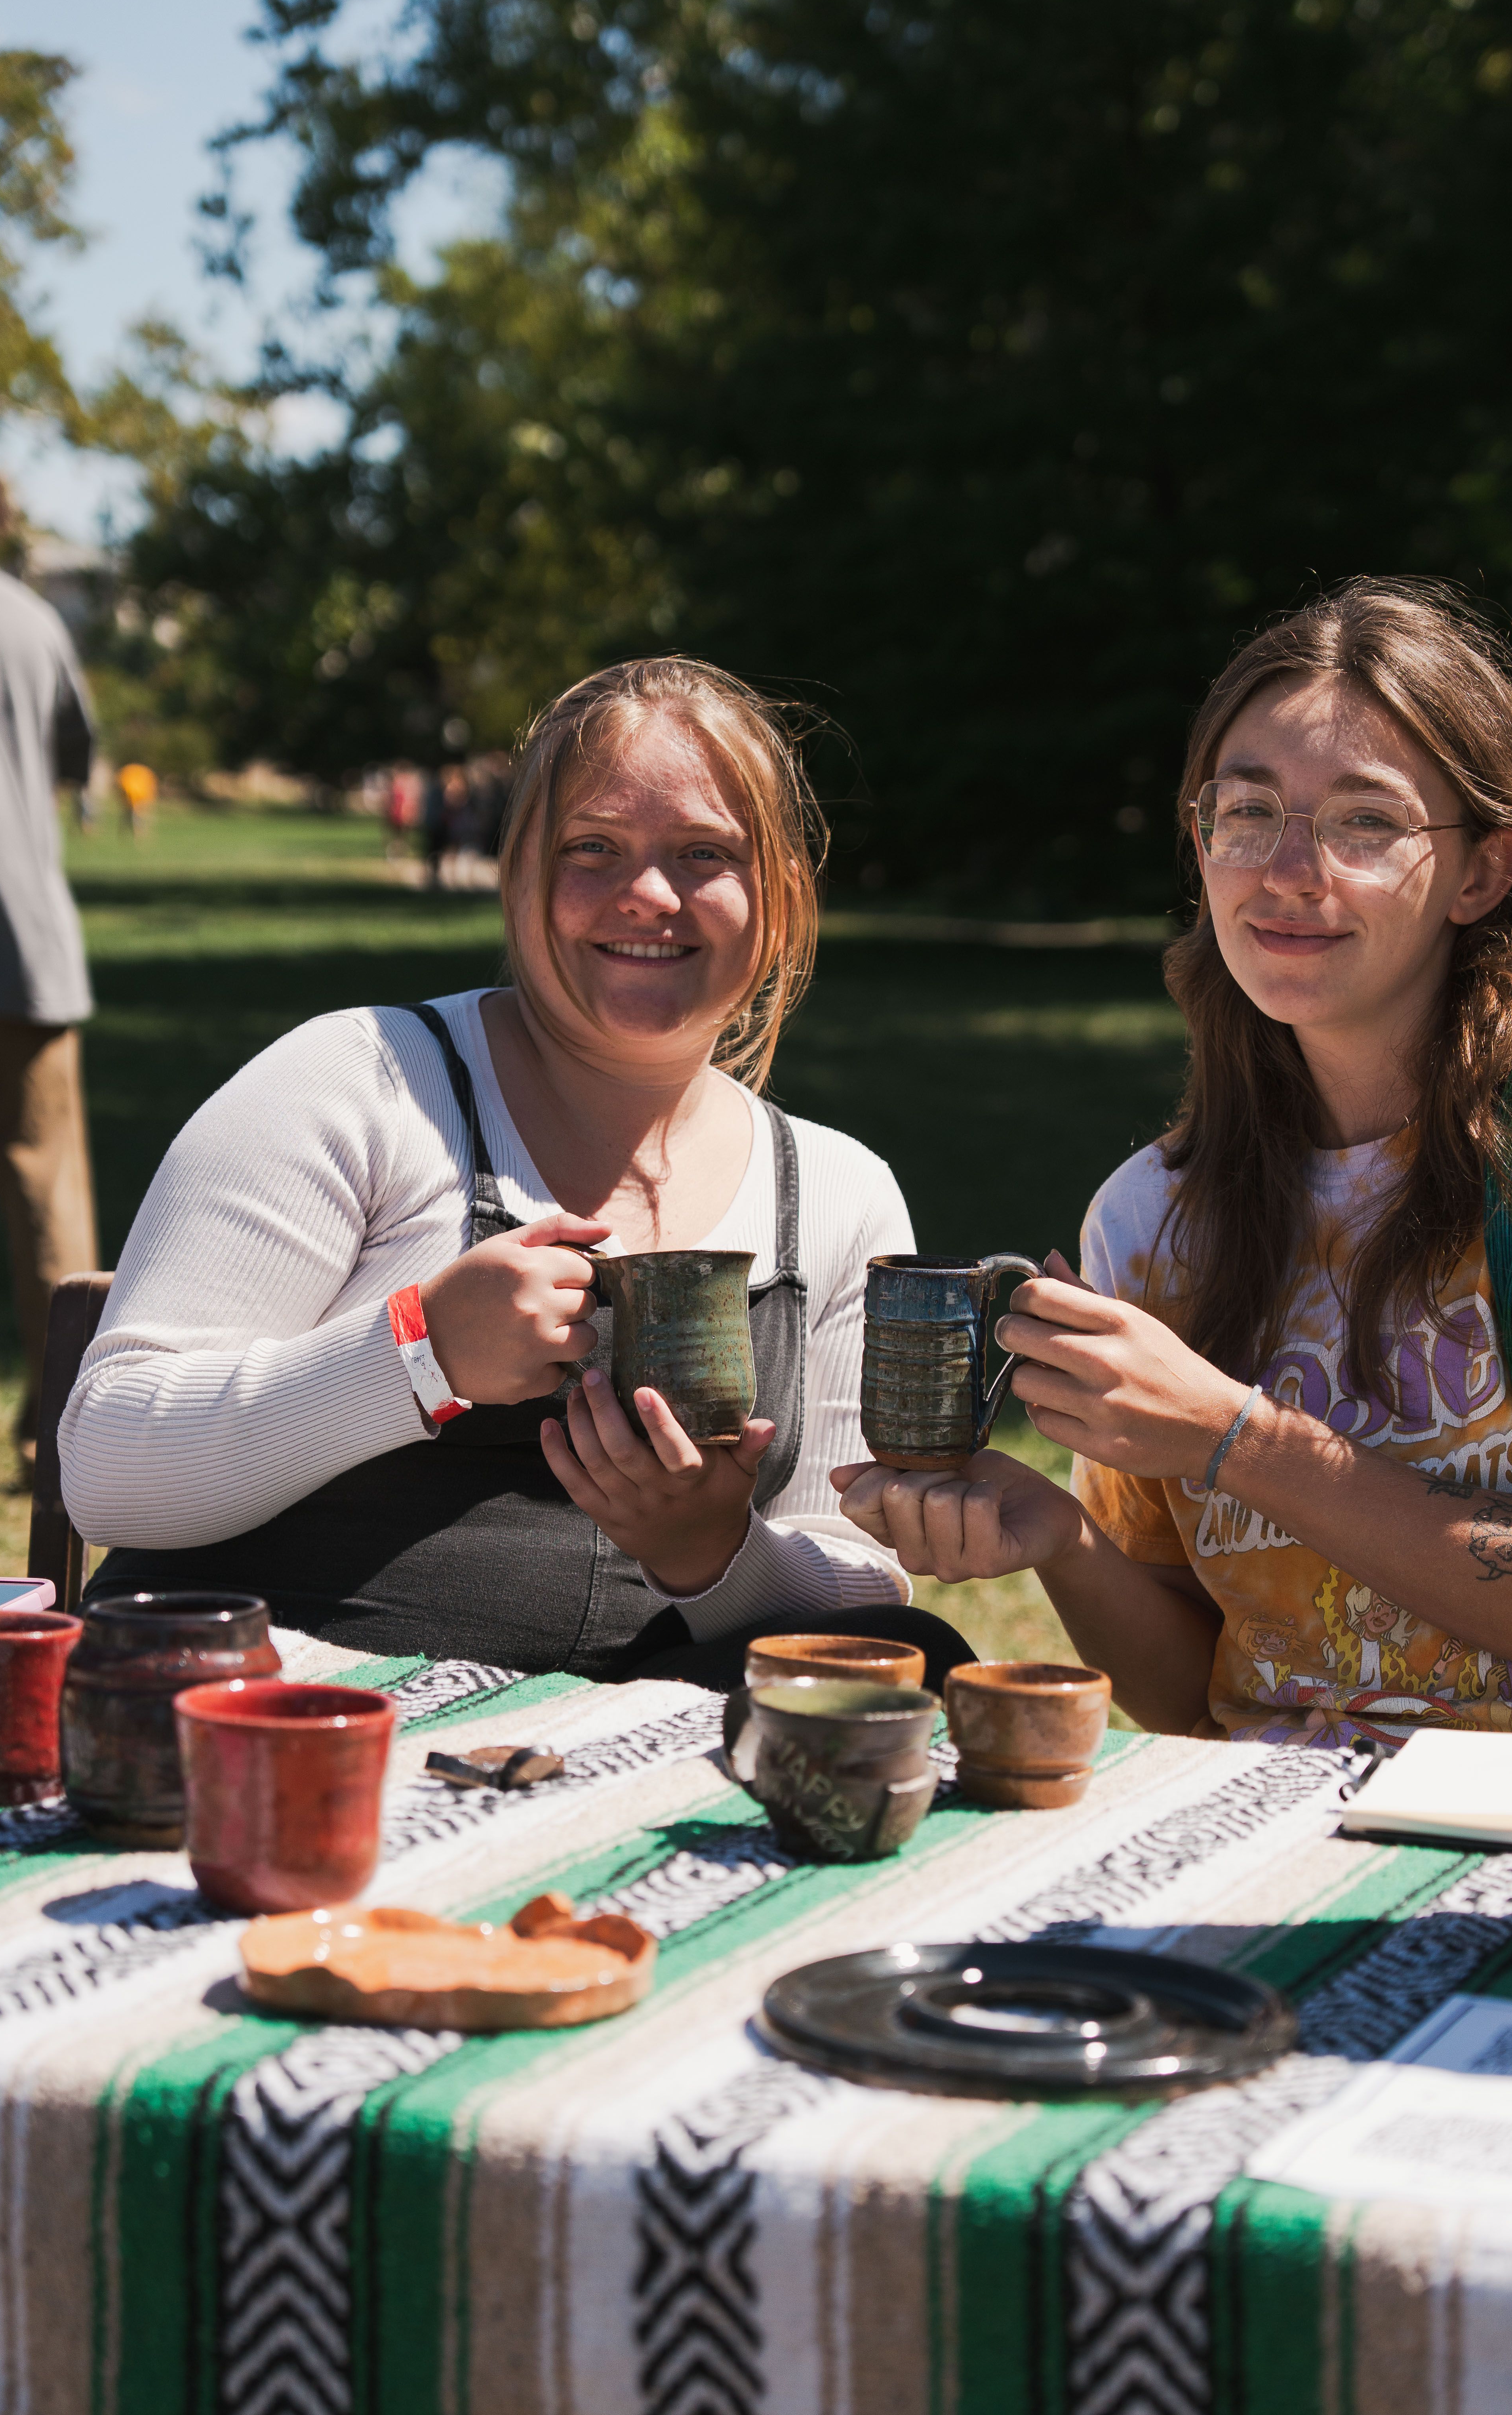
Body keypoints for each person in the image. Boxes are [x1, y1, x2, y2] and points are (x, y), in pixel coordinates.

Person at [834, 580, 1512, 1746]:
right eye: (1248, 811)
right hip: (1261, 1839)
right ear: (1201, 843)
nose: (1291, 870)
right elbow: (1199, 1688)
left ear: (1482, 873)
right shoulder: (1153, 1216)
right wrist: (1056, 1532)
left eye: (1364, 822)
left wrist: (1236, 1438)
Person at [61, 657, 965, 1689]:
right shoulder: (365, 1086)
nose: (650, 895)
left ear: (784, 893)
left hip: (614, 1792)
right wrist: (419, 1355)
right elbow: (109, 1470)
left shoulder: (838, 1197)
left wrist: (716, 1556)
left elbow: (860, 1587)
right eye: (595, 849)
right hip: (277, 1738)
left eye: (705, 853)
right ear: (521, 874)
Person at [0, 453, 101, 1467]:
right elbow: (72, 756)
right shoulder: (27, 617)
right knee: (45, 1188)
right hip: (18, 940)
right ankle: (66, 1429)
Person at [116, 760, 157, 837]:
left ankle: (129, 834)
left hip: (136, 799)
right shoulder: (140, 773)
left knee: (130, 816)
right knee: (134, 816)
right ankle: (136, 834)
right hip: (137, 799)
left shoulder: (131, 772)